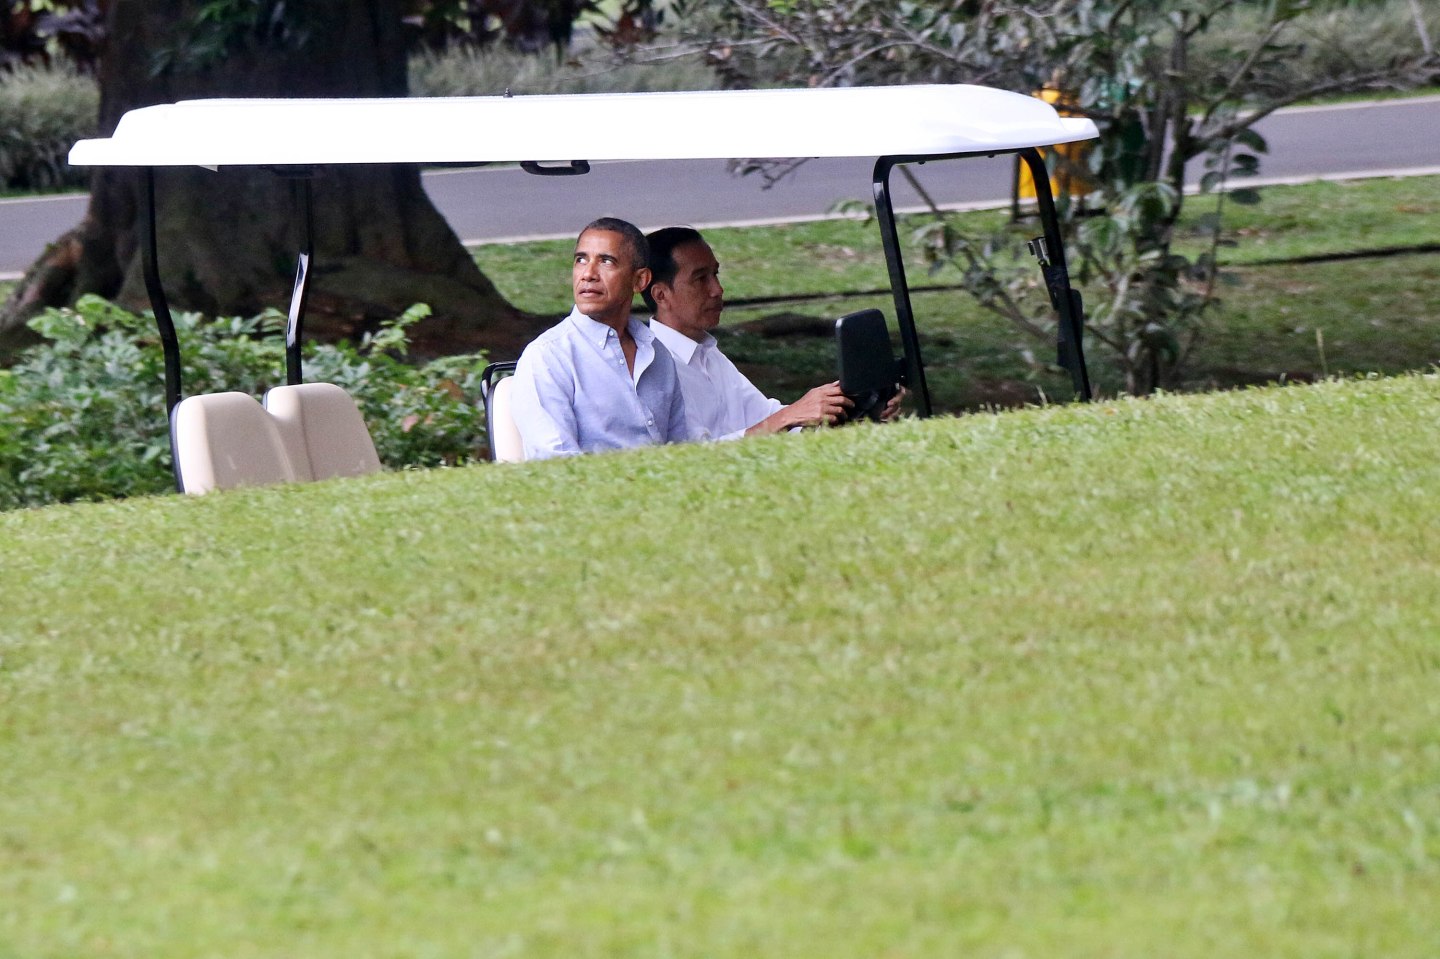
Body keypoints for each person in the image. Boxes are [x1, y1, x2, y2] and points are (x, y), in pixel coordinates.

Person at [643, 226, 900, 441]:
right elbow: (692, 457)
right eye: (700, 279)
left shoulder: (707, 354)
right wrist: (790, 416)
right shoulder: (654, 368)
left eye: (715, 274)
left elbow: (766, 418)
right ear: (661, 295)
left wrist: (847, 404)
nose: (717, 289)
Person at [510, 217, 696, 459]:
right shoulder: (547, 357)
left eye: (606, 261)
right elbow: (555, 464)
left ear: (639, 280)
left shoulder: (657, 352)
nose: (588, 274)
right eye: (581, 260)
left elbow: (681, 451)